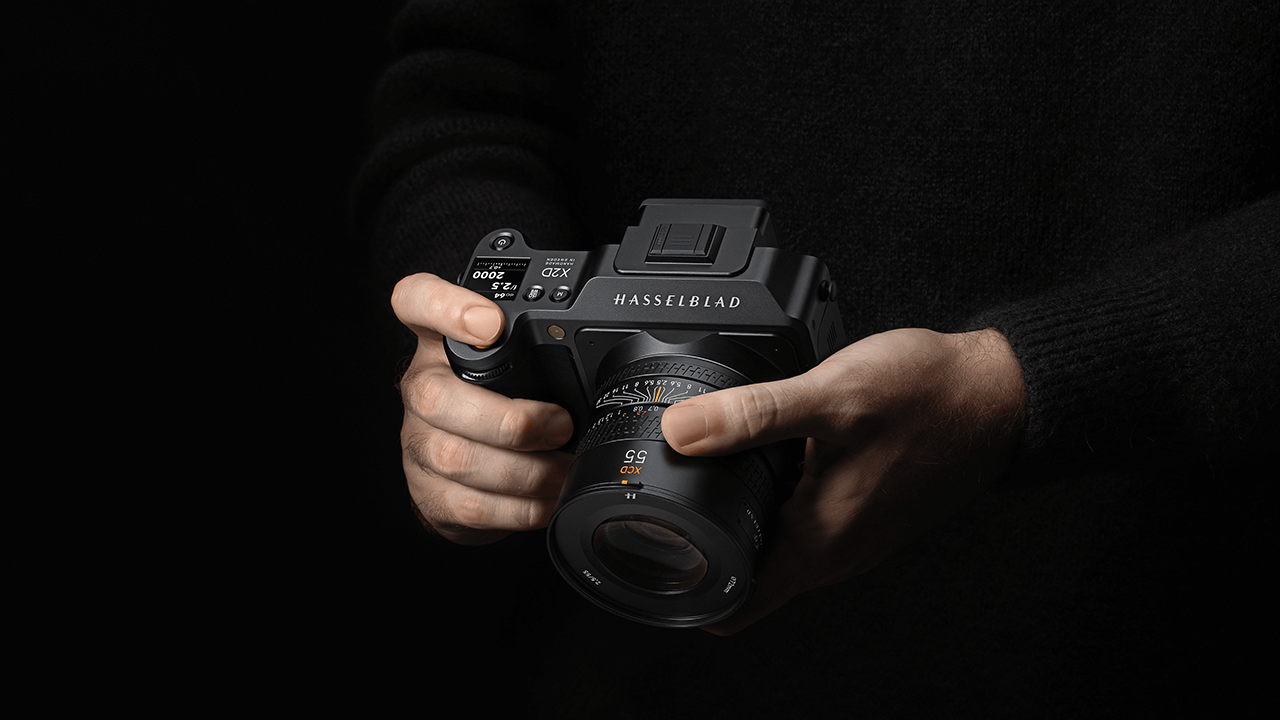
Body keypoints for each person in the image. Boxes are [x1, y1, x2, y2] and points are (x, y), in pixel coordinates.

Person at [353, 0, 1277, 709]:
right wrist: (475, 323)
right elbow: (463, 81)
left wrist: (1025, 387)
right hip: (618, 652)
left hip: (1154, 621)